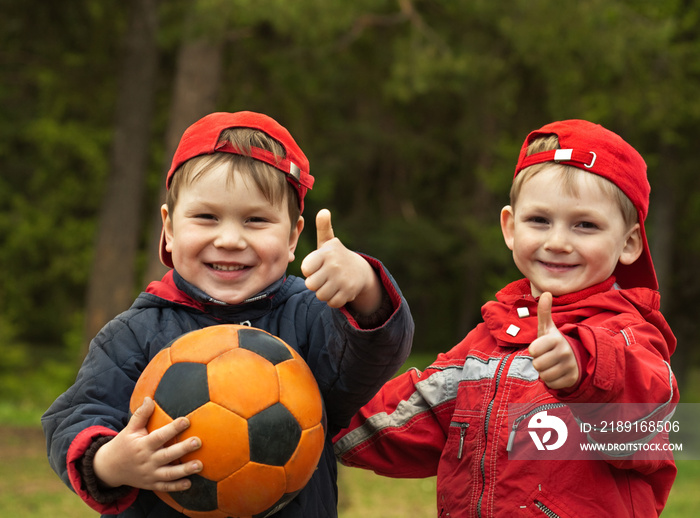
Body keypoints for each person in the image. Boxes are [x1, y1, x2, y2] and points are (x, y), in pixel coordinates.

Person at [42, 111, 414, 517]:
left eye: (256, 220)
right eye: (206, 217)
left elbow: (368, 360)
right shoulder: (135, 333)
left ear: (292, 237)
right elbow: (76, 416)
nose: (230, 239)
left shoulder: (312, 316)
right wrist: (111, 463)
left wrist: (365, 287)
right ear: (168, 228)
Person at [334, 119, 678, 517]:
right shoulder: (486, 343)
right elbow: (404, 421)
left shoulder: (629, 335)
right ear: (510, 227)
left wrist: (584, 371)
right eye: (539, 221)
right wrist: (318, 416)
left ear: (629, 242)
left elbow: (648, 423)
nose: (558, 242)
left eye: (586, 225)